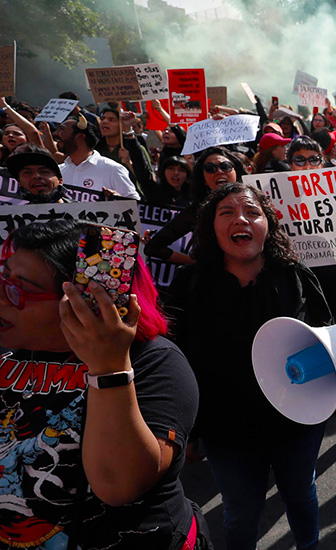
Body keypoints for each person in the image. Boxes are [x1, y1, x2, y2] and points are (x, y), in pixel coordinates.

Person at [167, 182, 336, 550]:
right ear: (210, 226)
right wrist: (184, 427)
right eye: (227, 213)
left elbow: (329, 337)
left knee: (301, 495)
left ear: (267, 223)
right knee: (240, 511)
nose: (241, 219)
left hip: (297, 423)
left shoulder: (295, 275)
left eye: (252, 212)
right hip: (227, 431)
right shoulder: (190, 283)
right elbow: (175, 356)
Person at [0, 219, 202, 549]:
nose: (3, 296)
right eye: (3, 275)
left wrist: (109, 369)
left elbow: (119, 486)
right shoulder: (11, 348)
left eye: (19, 288)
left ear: (85, 303)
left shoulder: (155, 363)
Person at [285, 135, 336, 322]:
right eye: (300, 160)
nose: (307, 166)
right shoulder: (277, 196)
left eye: (314, 159)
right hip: (306, 280)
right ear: (290, 164)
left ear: (322, 163)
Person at [144, 146, 245, 264]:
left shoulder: (256, 203)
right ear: (203, 180)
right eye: (210, 168)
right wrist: (197, 265)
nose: (219, 171)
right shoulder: (199, 210)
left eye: (225, 166)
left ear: (235, 172)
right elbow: (153, 247)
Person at [53, 116, 140, 200]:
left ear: (80, 137)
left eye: (62, 130)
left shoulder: (113, 170)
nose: (55, 133)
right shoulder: (58, 172)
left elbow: (136, 205)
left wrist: (117, 198)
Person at [96, 107, 154, 195]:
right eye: (102, 119)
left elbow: (148, 180)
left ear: (121, 125)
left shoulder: (135, 149)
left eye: (111, 120)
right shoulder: (96, 150)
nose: (105, 122)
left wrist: (128, 163)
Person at [6, 146, 71, 204]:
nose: (36, 176)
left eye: (44, 172)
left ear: (60, 181)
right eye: (27, 172)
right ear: (19, 182)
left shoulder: (80, 212)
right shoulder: (12, 216)